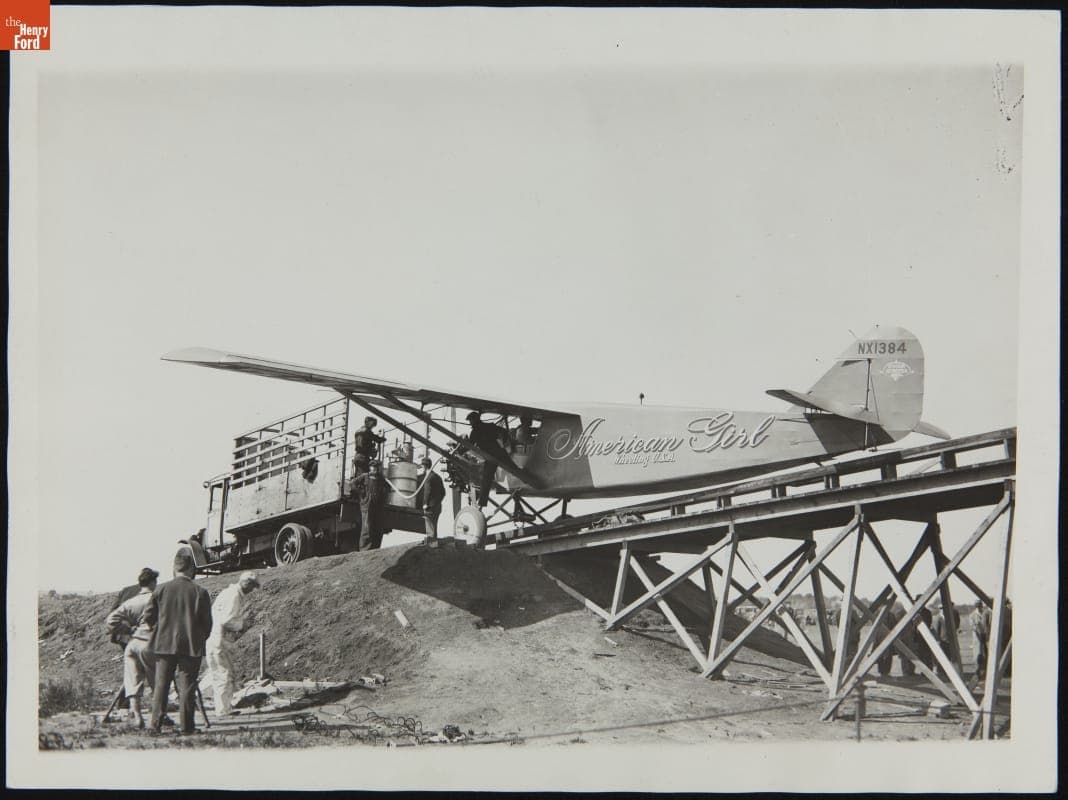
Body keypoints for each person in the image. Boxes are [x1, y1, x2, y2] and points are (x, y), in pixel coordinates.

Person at [144, 548, 213, 735]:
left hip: (164, 644)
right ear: (191, 569)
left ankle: (155, 725)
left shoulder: (160, 589)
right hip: (190, 646)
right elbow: (207, 624)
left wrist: (159, 630)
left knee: (161, 685)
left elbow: (148, 617)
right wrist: (198, 637)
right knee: (187, 687)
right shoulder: (200, 591)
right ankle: (187, 727)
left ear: (174, 568)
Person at [105, 567, 159, 727]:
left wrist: (128, 630)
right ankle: (158, 716)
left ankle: (138, 717)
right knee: (157, 683)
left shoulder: (131, 602)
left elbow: (110, 621)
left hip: (132, 644)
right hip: (150, 643)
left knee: (133, 682)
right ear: (153, 582)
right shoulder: (157, 599)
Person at [205, 571, 260, 718]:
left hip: (213, 637)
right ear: (246, 583)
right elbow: (227, 620)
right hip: (221, 639)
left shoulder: (226, 592)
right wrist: (242, 624)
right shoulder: (234, 596)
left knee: (218, 674)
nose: (252, 590)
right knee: (224, 674)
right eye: (252, 586)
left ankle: (223, 707)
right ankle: (223, 710)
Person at [466, 411, 517, 507]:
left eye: (470, 421)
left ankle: (482, 503)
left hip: (491, 457)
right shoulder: (489, 426)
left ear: (473, 420)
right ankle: (529, 479)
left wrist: (461, 448)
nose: (470, 423)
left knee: (487, 479)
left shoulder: (474, 432)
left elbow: (470, 445)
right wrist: (504, 442)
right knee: (515, 469)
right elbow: (504, 431)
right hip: (500, 452)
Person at [355, 459, 387, 551]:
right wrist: (361, 493)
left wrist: (383, 497)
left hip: (377, 506)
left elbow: (387, 488)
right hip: (367, 505)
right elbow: (353, 483)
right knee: (367, 528)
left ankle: (375, 548)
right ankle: (364, 549)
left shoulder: (381, 479)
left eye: (376, 467)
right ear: (370, 467)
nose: (374, 469)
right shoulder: (365, 476)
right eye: (373, 467)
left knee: (377, 527)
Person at [416, 457, 446, 540]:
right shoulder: (438, 477)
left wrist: (425, 503)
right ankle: (434, 541)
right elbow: (443, 493)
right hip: (438, 506)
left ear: (424, 466)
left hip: (430, 507)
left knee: (429, 526)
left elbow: (427, 491)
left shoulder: (428, 477)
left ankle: (431, 542)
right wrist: (437, 502)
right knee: (434, 526)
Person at [972, 600, 992, 679]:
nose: (979, 608)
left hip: (985, 636)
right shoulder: (973, 615)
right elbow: (973, 626)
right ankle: (977, 671)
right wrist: (978, 630)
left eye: (980, 606)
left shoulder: (986, 614)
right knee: (978, 654)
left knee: (986, 654)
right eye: (977, 606)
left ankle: (985, 671)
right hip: (977, 637)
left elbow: (988, 624)